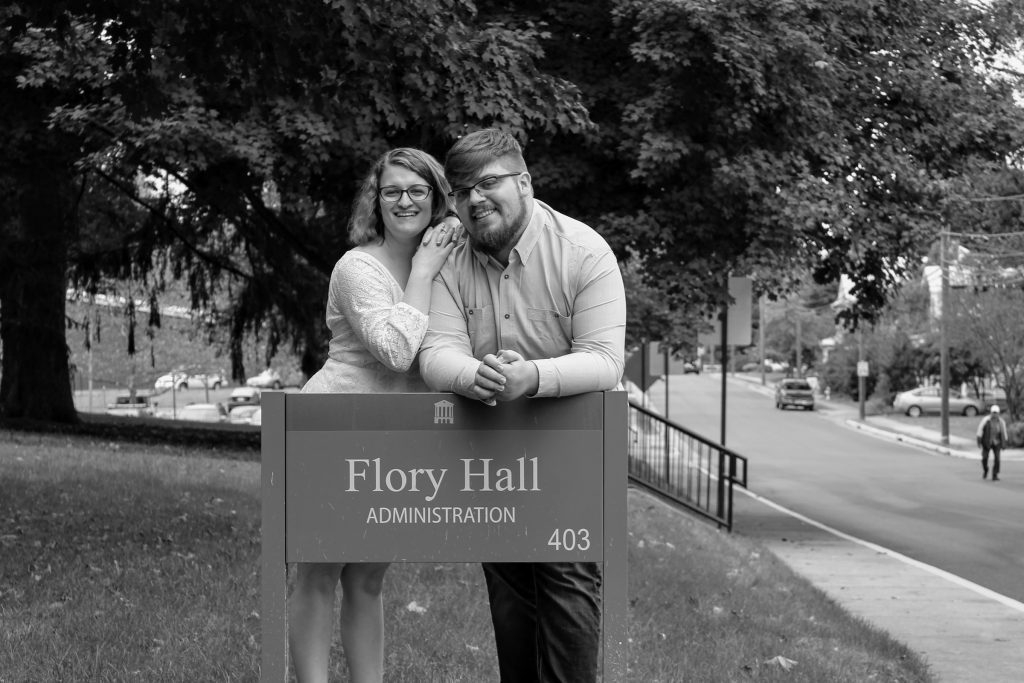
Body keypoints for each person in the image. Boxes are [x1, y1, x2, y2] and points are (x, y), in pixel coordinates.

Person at [418, 128, 626, 682]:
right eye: (462, 191)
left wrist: (531, 377)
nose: (475, 199)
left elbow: (606, 360)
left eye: (489, 182)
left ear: (525, 181)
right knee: (510, 602)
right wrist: (476, 376)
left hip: (571, 451)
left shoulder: (584, 252)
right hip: (495, 457)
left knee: (566, 587)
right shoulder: (451, 258)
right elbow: (436, 351)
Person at [289, 147, 460, 683]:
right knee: (318, 571)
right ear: (376, 199)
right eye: (392, 191)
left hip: (400, 433)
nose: (404, 201)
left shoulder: (454, 262)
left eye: (417, 190)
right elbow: (395, 349)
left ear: (435, 198)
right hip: (338, 423)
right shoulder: (357, 267)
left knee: (367, 577)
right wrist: (425, 269)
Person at [977, 404, 1008, 481]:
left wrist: (1004, 443)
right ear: (991, 412)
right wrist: (979, 441)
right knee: (984, 458)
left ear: (998, 413)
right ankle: (985, 470)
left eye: (996, 413)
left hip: (997, 442)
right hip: (987, 441)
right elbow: (980, 431)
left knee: (997, 459)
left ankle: (995, 474)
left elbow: (1004, 433)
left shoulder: (1001, 422)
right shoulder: (986, 420)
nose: (994, 414)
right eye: (993, 412)